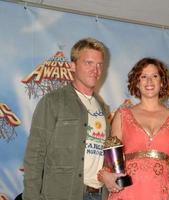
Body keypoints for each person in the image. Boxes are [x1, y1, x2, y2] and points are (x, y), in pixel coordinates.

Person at [23, 37, 110, 200]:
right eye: (89, 63)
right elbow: (35, 154)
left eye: (99, 65)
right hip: (62, 194)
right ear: (73, 65)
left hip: (98, 195)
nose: (95, 70)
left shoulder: (103, 109)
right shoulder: (53, 101)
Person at [97, 57, 169, 200]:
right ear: (137, 83)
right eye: (143, 76)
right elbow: (111, 159)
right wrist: (105, 175)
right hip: (126, 191)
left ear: (162, 81)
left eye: (154, 76)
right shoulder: (123, 115)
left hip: (161, 192)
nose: (149, 81)